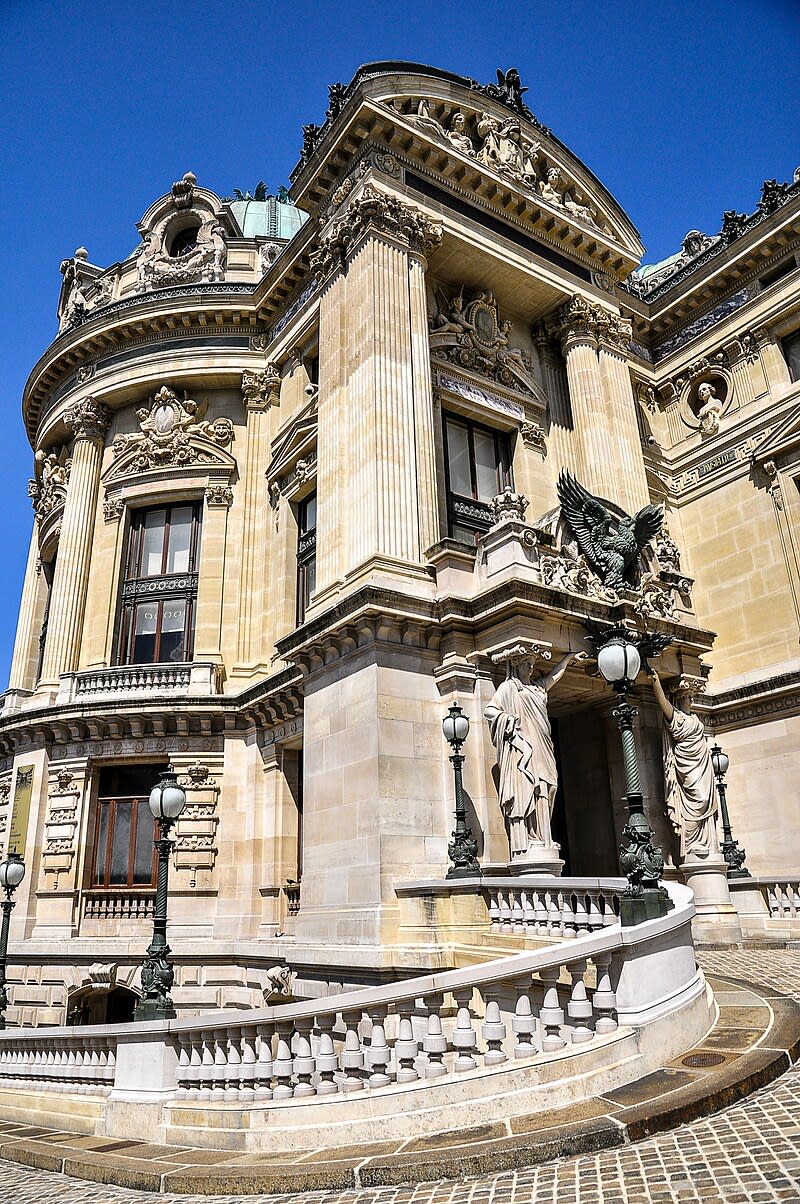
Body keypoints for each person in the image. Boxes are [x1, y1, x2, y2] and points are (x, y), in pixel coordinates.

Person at [485, 650, 587, 857]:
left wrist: (568, 658)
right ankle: (531, 838)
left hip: (543, 745)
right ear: (516, 665)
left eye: (532, 664)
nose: (530, 668)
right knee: (531, 787)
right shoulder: (509, 688)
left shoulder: (537, 689)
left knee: (549, 787)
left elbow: (553, 677)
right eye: (526, 664)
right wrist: (509, 720)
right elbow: (490, 710)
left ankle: (544, 836)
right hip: (525, 747)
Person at [649, 668, 719, 858]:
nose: (691, 700)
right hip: (688, 764)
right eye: (687, 696)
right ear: (680, 699)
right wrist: (655, 681)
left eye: (691, 696)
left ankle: (705, 843)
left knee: (706, 800)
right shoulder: (676, 717)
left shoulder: (695, 718)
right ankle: (691, 842)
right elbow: (662, 702)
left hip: (702, 765)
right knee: (698, 799)